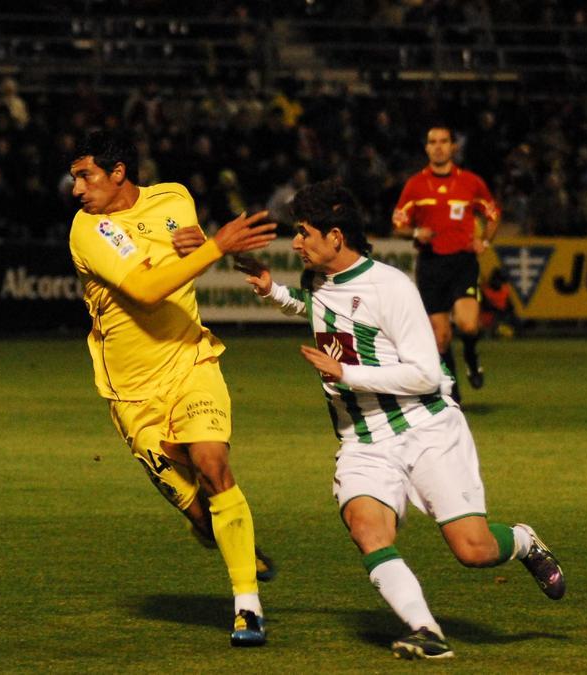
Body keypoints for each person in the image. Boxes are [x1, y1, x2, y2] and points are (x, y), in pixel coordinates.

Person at [239, 180, 564, 660]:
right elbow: (320, 310)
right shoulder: (318, 281)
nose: (296, 242)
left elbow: (424, 372)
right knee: (366, 527)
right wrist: (273, 291)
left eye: (304, 233)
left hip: (424, 427)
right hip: (364, 439)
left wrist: (344, 371)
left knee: (472, 550)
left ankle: (521, 541)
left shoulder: (391, 287)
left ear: (335, 236)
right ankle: (426, 630)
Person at [67, 129, 278, 647]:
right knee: (207, 519)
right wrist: (215, 247)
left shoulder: (174, 196)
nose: (76, 189)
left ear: (119, 173)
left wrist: (201, 243)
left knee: (213, 464)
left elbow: (184, 244)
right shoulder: (90, 229)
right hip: (133, 395)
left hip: (190, 361)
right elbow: (147, 289)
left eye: (85, 175)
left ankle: (247, 609)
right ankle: (210, 527)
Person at [392, 125, 500, 404]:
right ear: (426, 148)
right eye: (432, 142)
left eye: (443, 141)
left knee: (468, 325)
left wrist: (484, 241)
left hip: (463, 262)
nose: (438, 146)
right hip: (430, 264)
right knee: (440, 338)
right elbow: (398, 223)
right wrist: (417, 233)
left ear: (454, 147)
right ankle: (453, 394)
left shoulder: (471, 182)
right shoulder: (415, 185)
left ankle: (472, 358)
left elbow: (493, 214)